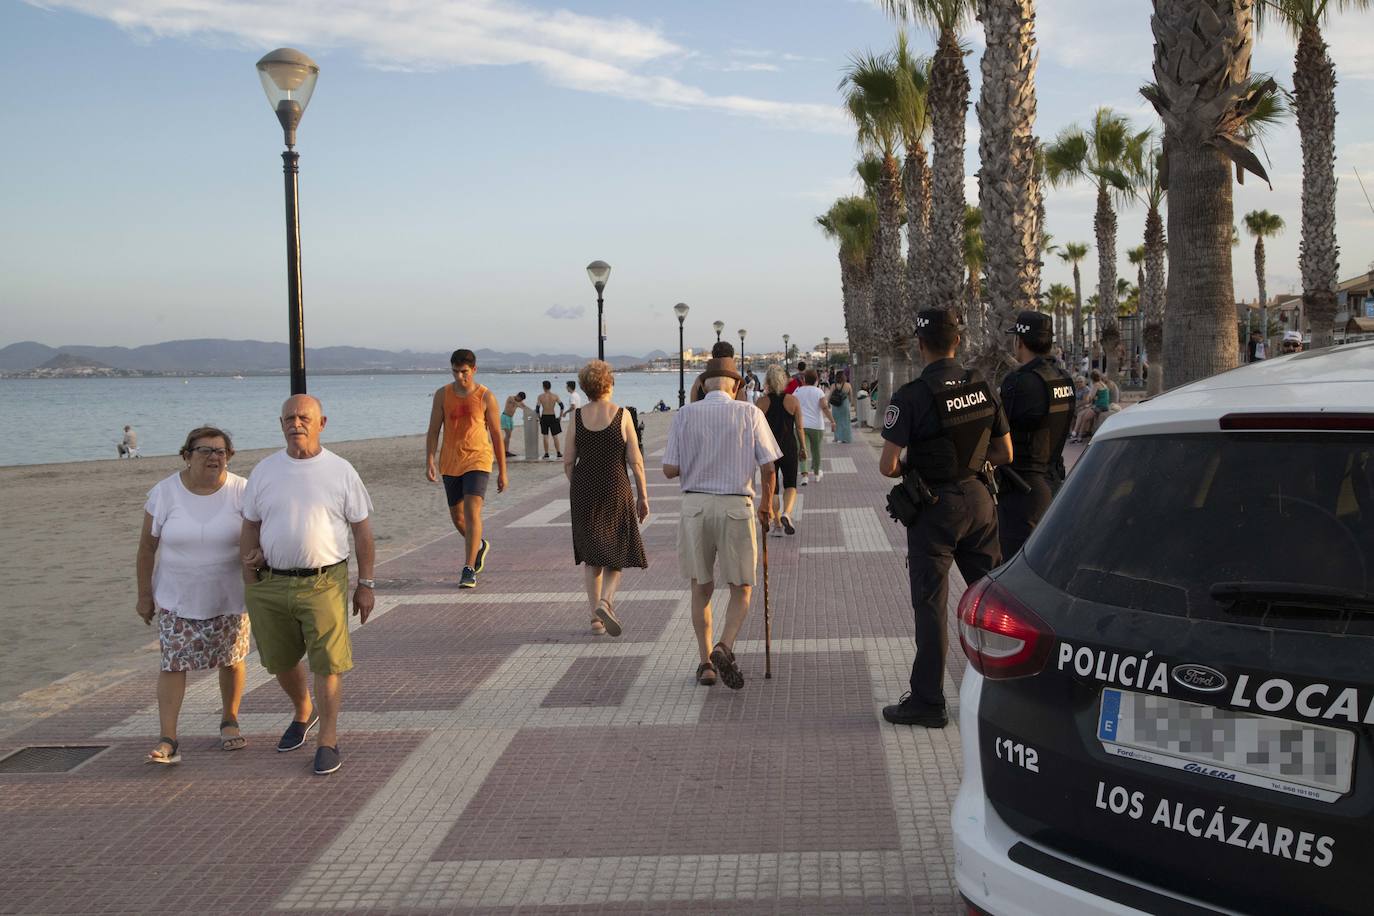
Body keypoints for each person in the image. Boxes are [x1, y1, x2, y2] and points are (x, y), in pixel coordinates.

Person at [878, 308, 1011, 727]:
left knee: (932, 606)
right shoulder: (982, 386)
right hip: (981, 501)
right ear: (958, 342)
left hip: (937, 510)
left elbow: (887, 465)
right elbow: (1005, 454)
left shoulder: (913, 395)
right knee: (992, 599)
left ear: (921, 346)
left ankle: (928, 702)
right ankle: (1009, 689)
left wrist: (916, 468)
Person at [240, 394, 375, 776]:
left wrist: (365, 583)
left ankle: (327, 740)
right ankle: (304, 709)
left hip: (324, 582)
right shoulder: (265, 470)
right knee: (279, 661)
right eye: (288, 418)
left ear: (322, 423)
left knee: (328, 662)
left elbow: (362, 531)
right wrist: (249, 573)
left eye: (303, 417)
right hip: (270, 583)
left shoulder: (341, 470)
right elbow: (250, 524)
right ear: (280, 423)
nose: (295, 424)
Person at [663, 356, 780, 689]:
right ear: (737, 385)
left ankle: (706, 664)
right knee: (741, 587)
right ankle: (724, 645)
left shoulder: (685, 415)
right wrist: (767, 506)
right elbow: (769, 467)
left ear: (702, 384)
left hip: (695, 507)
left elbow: (670, 469)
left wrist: (698, 457)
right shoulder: (750, 413)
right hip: (735, 506)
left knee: (701, 587)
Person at [136, 426, 251, 765]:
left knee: (231, 659)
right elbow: (146, 549)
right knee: (173, 664)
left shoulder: (242, 491)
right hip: (176, 597)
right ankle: (168, 738)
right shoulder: (164, 493)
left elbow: (258, 538)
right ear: (186, 455)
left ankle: (229, 721)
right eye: (204, 450)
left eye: (221, 451)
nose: (214, 457)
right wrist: (144, 595)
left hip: (229, 594)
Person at [564, 360, 649, 636]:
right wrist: (643, 496)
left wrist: (578, 485)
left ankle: (595, 619)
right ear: (609, 384)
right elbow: (635, 461)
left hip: (584, 489)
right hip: (616, 487)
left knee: (592, 557)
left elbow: (567, 462)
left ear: (585, 388)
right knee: (618, 550)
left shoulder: (576, 417)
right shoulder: (622, 415)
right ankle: (606, 601)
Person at [426, 348, 508, 589]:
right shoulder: (442, 395)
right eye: (455, 372)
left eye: (464, 372)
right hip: (450, 462)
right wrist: (429, 459)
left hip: (478, 460)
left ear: (474, 370)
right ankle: (479, 545)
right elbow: (433, 430)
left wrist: (503, 471)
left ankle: (468, 568)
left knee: (473, 513)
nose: (459, 377)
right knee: (458, 517)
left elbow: (495, 435)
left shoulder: (485, 397)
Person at [997, 310, 1076, 560]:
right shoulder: (1064, 379)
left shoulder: (1020, 382)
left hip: (1023, 492)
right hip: (1054, 484)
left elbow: (997, 432)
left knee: (1015, 567)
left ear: (1019, 341)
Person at [755, 365, 807, 537]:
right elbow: (799, 427)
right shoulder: (793, 400)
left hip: (769, 449)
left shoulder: (761, 403)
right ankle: (787, 513)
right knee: (791, 484)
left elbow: (755, 429)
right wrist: (803, 448)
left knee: (773, 488)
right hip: (789, 446)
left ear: (767, 381)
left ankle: (777, 523)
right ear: (783, 381)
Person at [793, 369, 833, 486]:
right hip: (816, 425)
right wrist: (832, 421)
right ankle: (816, 474)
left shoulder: (797, 391)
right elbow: (824, 408)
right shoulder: (819, 392)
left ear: (804, 379)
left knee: (802, 449)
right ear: (816, 380)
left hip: (800, 425)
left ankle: (804, 476)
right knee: (816, 450)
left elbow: (793, 407)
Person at [1070, 370, 1110, 443]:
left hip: (1099, 406)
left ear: (1092, 378)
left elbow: (1090, 398)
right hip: (1103, 405)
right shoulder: (1103, 384)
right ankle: (1077, 435)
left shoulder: (1096, 385)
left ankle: (1079, 437)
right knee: (1083, 414)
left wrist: (1089, 395)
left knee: (1085, 418)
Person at [536, 381, 564, 459]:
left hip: (544, 416)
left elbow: (537, 409)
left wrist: (539, 418)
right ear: (550, 387)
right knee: (555, 436)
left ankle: (546, 453)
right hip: (552, 416)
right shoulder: (555, 396)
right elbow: (562, 406)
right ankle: (558, 453)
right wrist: (560, 416)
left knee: (545, 435)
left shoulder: (540, 396)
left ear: (543, 387)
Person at [502, 392, 534, 457]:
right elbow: (516, 403)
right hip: (505, 417)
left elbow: (525, 407)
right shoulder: (510, 398)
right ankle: (503, 451)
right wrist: (520, 404)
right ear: (518, 396)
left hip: (510, 418)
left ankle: (506, 451)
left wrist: (533, 413)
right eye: (521, 399)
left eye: (522, 400)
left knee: (508, 436)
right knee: (508, 435)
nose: (521, 401)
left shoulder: (519, 402)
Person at [830, 370, 853, 443]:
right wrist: (850, 403)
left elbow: (830, 395)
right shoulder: (848, 385)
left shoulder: (833, 385)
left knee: (836, 421)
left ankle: (836, 438)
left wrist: (827, 403)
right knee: (845, 421)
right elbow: (851, 396)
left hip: (835, 405)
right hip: (845, 404)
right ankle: (845, 438)